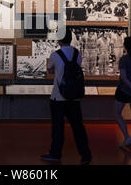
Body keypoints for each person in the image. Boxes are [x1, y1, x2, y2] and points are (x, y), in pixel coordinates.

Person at [41, 30, 92, 165]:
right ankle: (85, 154)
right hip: (74, 97)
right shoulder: (77, 54)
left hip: (58, 97)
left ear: (59, 40)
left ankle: (55, 153)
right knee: (78, 127)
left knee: (58, 127)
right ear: (70, 39)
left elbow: (50, 69)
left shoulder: (55, 55)